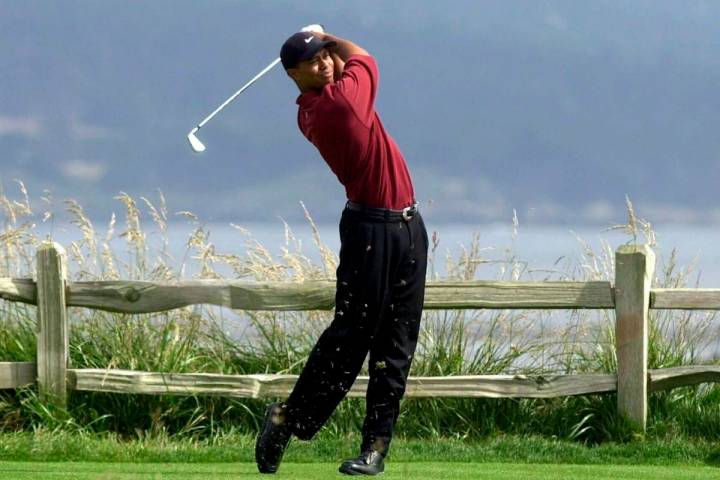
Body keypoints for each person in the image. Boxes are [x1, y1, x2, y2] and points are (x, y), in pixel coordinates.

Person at [255, 26, 428, 476]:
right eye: (313, 62)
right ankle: (287, 418)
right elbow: (365, 57)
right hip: (371, 229)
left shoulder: (319, 103)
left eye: (327, 56)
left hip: (408, 226)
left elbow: (351, 62)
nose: (326, 63)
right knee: (352, 337)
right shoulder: (338, 105)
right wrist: (329, 34)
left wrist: (323, 42)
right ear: (294, 75)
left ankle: (374, 448)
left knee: (397, 343)